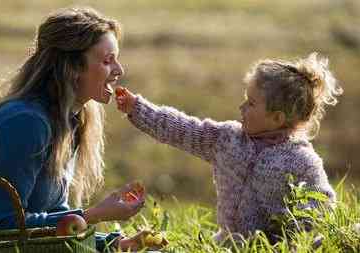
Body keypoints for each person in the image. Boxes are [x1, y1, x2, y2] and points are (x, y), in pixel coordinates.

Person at [0, 7, 160, 252]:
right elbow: (1, 227)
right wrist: (93, 214)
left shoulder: (69, 120)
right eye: (107, 60)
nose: (119, 70)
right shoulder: (28, 124)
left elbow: (50, 217)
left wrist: (114, 245)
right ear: (72, 68)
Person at [115, 53, 343, 244]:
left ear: (277, 118)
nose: (242, 106)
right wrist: (137, 108)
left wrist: (294, 240)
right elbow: (182, 129)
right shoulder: (227, 139)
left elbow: (321, 206)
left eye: (251, 103)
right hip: (226, 243)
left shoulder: (302, 160)